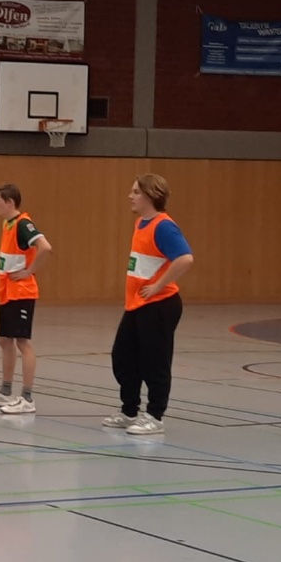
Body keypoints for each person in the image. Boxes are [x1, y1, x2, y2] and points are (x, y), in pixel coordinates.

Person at [104, 174, 193, 435]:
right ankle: (129, 410)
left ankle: (155, 416)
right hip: (137, 304)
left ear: (151, 195)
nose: (130, 196)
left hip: (160, 304)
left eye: (135, 192)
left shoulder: (164, 226)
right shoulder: (141, 223)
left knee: (155, 362)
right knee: (123, 357)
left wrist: (158, 285)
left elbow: (185, 258)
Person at [0, 183, 52, 415]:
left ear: (10, 202)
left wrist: (29, 271)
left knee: (23, 343)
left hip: (22, 293)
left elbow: (45, 247)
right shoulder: (7, 224)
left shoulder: (23, 224)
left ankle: (27, 398)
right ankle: (5, 391)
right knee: (5, 340)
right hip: (7, 293)